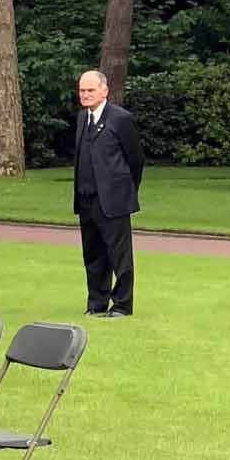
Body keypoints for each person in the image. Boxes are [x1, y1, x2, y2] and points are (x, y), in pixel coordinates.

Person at [72, 68, 144, 317]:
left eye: (90, 90)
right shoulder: (83, 118)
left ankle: (122, 304)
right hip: (86, 199)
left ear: (104, 91)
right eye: (82, 90)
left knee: (119, 255)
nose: (85, 94)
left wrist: (125, 190)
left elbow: (135, 159)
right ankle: (96, 302)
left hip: (113, 200)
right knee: (93, 254)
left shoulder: (120, 119)